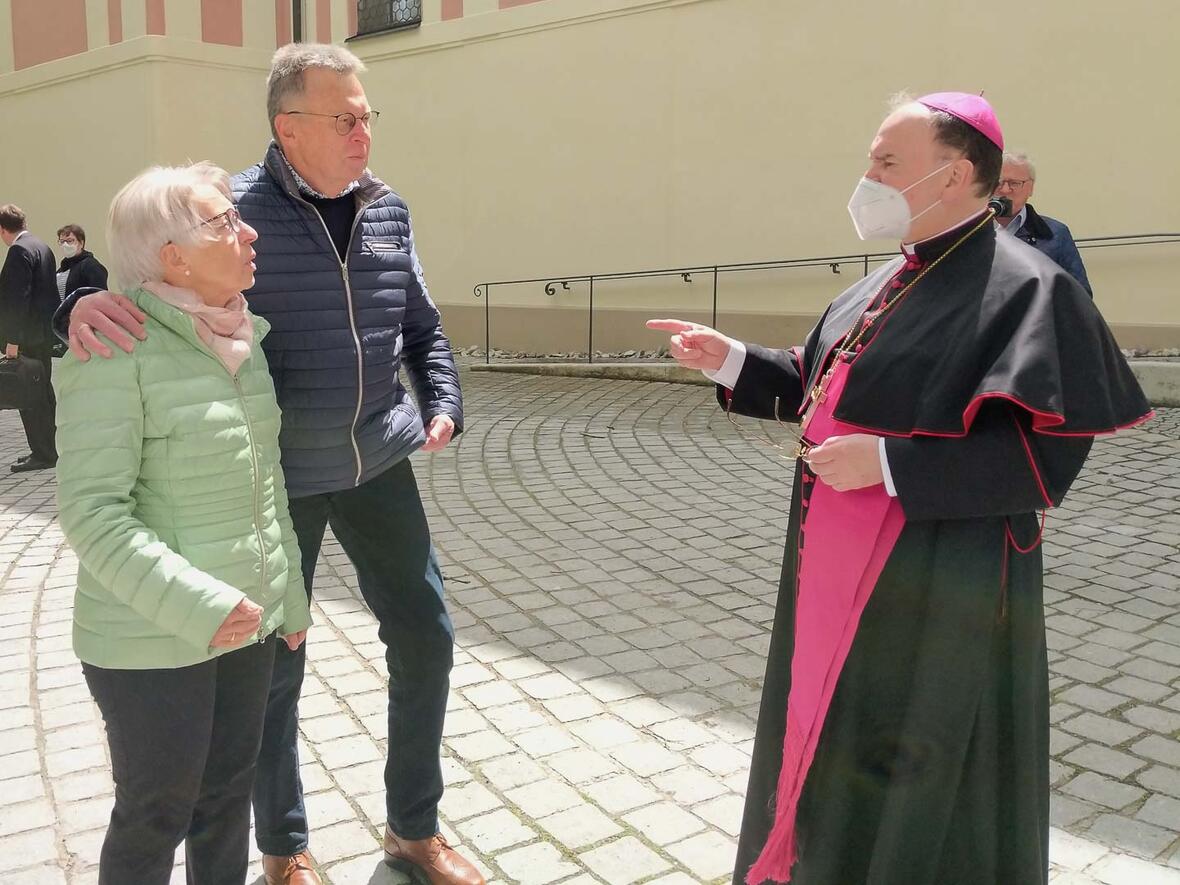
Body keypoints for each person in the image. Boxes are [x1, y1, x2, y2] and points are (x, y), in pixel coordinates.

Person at [649, 92, 1151, 885]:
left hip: (940, 572)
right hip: (832, 555)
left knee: (918, 752)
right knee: (828, 721)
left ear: (953, 174)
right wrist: (731, 360)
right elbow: (821, 381)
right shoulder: (885, 279)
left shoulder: (1032, 288)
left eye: (888, 163)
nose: (869, 178)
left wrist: (890, 465)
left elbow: (1048, 454)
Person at [56, 43, 476, 885]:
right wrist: (72, 303)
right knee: (275, 665)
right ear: (290, 128)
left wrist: (443, 398)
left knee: (426, 636)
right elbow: (144, 292)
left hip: (378, 457)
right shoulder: (232, 215)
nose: (363, 132)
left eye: (367, 116)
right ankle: (284, 847)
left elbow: (422, 325)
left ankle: (414, 829)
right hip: (281, 479)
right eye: (345, 118)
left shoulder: (387, 208)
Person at [54, 161, 312, 885]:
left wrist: (287, 596)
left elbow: (266, 486)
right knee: (155, 814)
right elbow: (92, 513)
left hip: (247, 622)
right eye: (225, 222)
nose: (248, 232)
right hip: (149, 638)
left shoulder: (242, 340)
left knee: (227, 799)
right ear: (173, 257)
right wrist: (202, 604)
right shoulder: (114, 346)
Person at [0, 204, 59, 471]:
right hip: (43, 336)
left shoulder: (19, 251)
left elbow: (17, 299)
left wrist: (12, 341)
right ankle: (50, 448)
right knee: (44, 394)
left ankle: (43, 454)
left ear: (2, 229)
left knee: (28, 396)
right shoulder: (42, 247)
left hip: (26, 339)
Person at [994, 151, 1092, 295]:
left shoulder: (1055, 233)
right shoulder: (970, 230)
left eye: (1014, 183)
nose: (1005, 190)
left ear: (1030, 188)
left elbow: (1080, 295)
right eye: (998, 182)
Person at [56, 223, 109, 300]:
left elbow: (100, 298)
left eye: (70, 241)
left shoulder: (91, 266)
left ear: (81, 243)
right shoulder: (61, 270)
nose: (65, 245)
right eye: (62, 241)